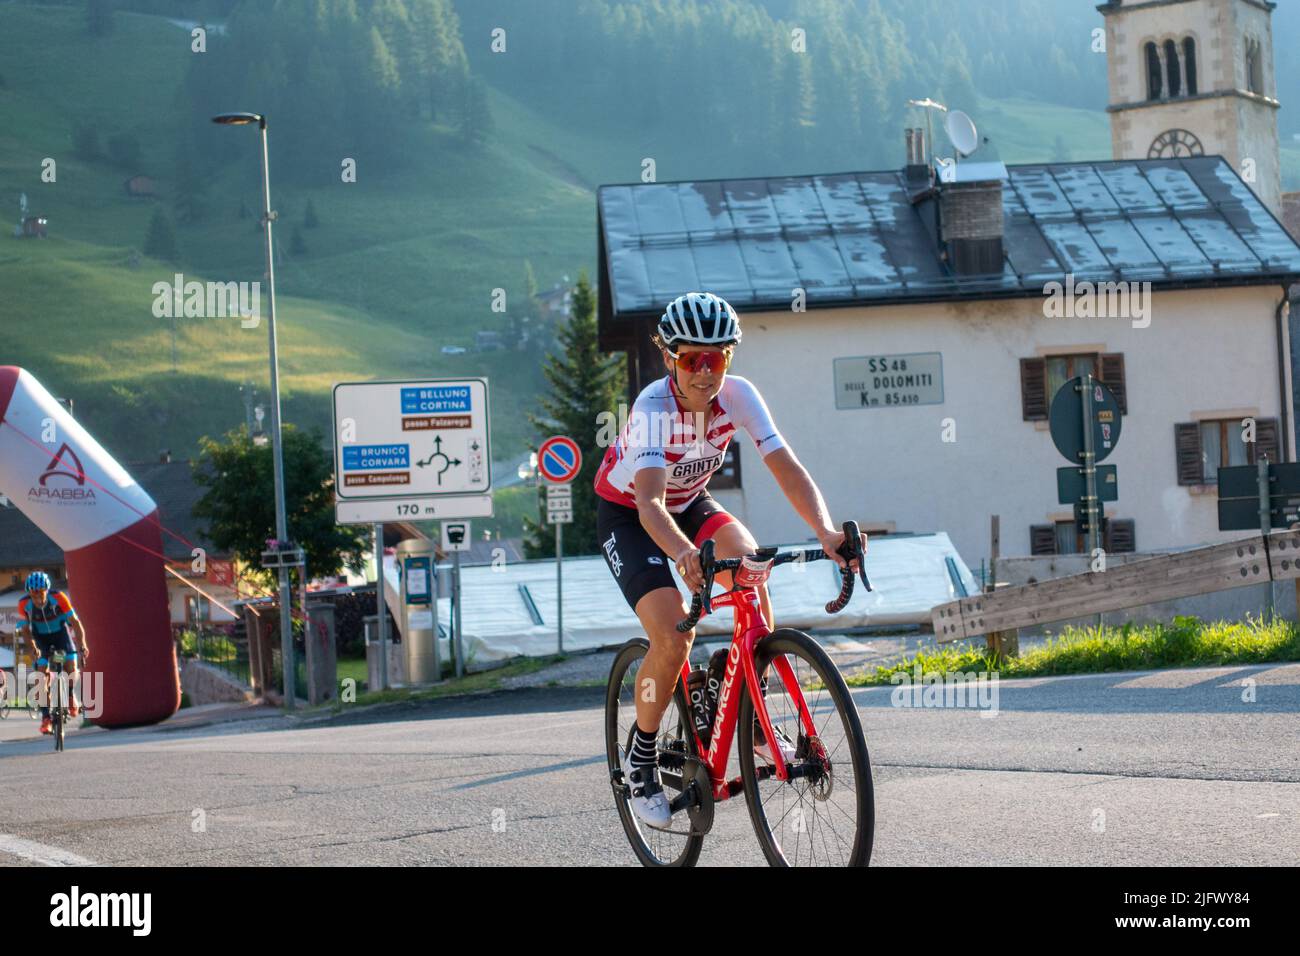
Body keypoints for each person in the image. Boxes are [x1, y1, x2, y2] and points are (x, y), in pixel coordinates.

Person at [593, 291, 864, 828]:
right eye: (692, 359)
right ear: (671, 359)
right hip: (631, 516)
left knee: (753, 566)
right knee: (674, 635)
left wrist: (827, 531)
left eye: (715, 359)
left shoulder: (738, 396)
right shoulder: (652, 409)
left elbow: (785, 466)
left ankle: (754, 712)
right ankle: (642, 756)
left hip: (691, 502)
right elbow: (648, 503)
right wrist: (684, 555)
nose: (704, 372)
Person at [15, 572, 89, 735]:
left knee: (71, 665)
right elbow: (26, 631)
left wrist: (82, 644)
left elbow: (76, 623)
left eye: (40, 592)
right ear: (29, 593)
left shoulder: (59, 598)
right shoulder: (24, 604)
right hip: (40, 638)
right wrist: (32, 647)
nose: (37, 597)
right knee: (41, 676)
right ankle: (46, 717)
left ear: (46, 590)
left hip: (61, 635)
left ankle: (70, 696)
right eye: (33, 593)